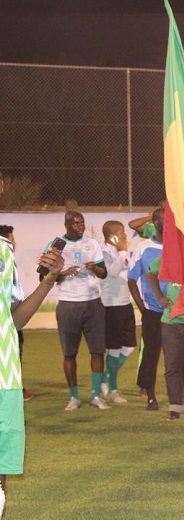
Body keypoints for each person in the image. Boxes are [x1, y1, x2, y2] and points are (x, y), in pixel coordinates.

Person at [0, 171, 64, 517]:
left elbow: (16, 317)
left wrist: (50, 280)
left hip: (5, 377)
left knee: (0, 477)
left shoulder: (2, 252)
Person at [52, 210, 110, 411]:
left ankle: (95, 396)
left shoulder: (92, 244)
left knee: (97, 351)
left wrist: (95, 268)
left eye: (82, 223)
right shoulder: (57, 245)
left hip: (93, 302)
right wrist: (62, 273)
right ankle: (74, 397)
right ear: (66, 224)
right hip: (68, 303)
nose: (80, 226)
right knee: (70, 353)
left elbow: (104, 273)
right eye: (75, 223)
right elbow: (47, 277)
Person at [127, 207, 165, 410]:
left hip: (176, 312)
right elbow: (131, 280)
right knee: (151, 354)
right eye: (165, 221)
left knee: (179, 355)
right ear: (156, 224)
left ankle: (181, 396)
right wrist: (142, 307)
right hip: (153, 311)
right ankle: (151, 395)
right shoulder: (143, 247)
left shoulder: (181, 246)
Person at [98, 220, 136, 403]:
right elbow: (112, 272)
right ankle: (113, 389)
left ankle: (105, 377)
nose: (125, 236)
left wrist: (123, 252)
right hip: (111, 306)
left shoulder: (123, 251)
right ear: (112, 236)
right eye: (122, 233)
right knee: (114, 349)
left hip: (125, 304)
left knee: (129, 346)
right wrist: (122, 251)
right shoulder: (102, 252)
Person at [148, 254, 184, 421]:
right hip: (171, 321)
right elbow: (151, 273)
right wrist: (159, 297)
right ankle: (175, 408)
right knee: (172, 366)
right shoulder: (172, 253)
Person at [0, 225, 33, 402]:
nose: (15, 243)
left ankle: (18, 388)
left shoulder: (8, 259)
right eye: (11, 239)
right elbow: (15, 299)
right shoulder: (6, 260)